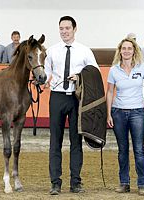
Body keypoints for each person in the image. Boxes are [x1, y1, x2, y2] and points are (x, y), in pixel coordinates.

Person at [44, 15, 99, 195]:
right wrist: (43, 81)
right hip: (57, 97)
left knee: (76, 140)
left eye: (67, 28)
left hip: (77, 98)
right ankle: (55, 182)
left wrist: (80, 76)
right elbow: (46, 72)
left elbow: (94, 72)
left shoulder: (84, 51)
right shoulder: (52, 51)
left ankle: (76, 182)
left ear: (75, 29)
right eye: (61, 28)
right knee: (55, 140)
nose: (64, 31)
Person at [106, 37, 144, 196]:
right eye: (124, 48)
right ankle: (124, 182)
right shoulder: (114, 70)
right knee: (122, 150)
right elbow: (109, 92)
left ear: (134, 50)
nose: (126, 51)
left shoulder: (142, 68)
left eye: (129, 48)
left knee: (139, 150)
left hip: (137, 113)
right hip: (118, 112)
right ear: (120, 51)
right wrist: (109, 113)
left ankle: (142, 184)